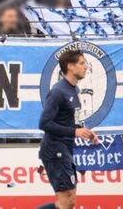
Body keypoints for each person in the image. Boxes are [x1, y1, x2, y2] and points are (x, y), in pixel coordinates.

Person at [37, 49, 98, 209]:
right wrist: (74, 132)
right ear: (70, 66)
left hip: (65, 148)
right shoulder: (58, 92)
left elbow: (69, 122)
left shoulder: (74, 90)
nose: (86, 67)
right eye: (82, 63)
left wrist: (84, 131)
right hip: (54, 149)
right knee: (67, 201)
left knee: (69, 202)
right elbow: (44, 123)